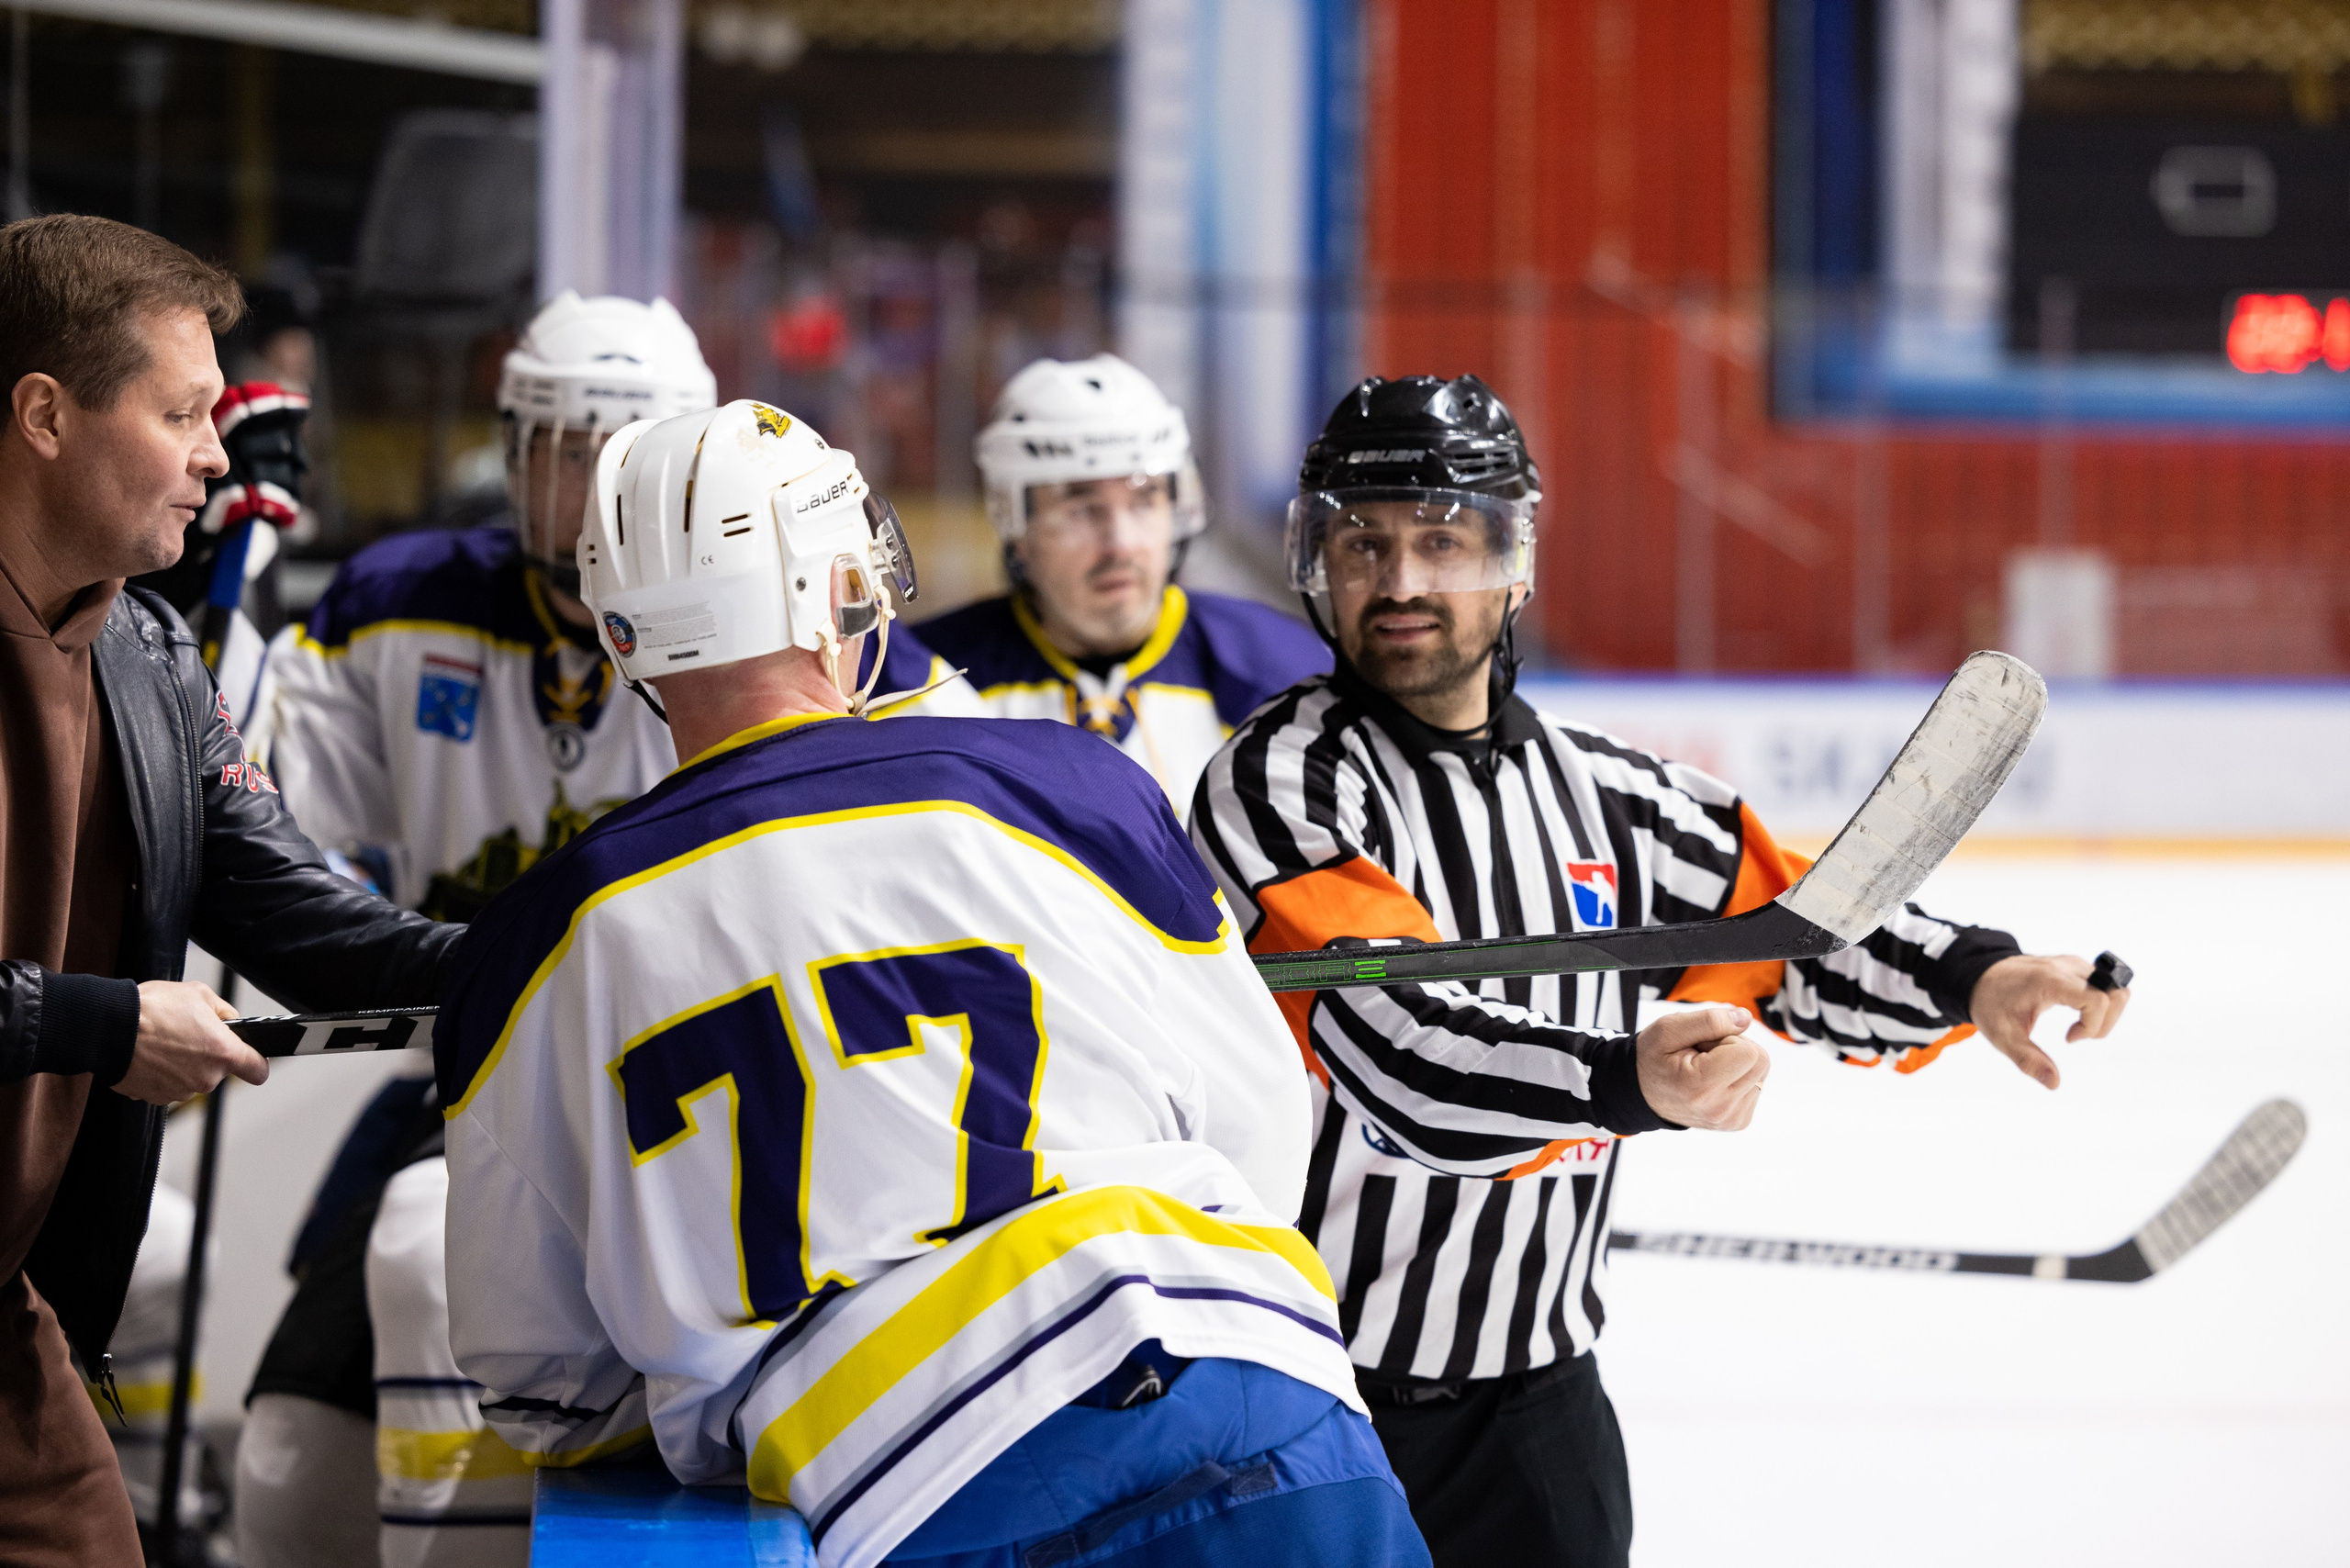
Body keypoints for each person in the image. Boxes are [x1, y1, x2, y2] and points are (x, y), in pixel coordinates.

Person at [436, 398, 1430, 1568]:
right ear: (834, 591)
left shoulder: (532, 945)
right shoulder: (1069, 781)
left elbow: (542, 1384)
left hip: (910, 1481)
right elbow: (1263, 1130)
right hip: (1257, 1382)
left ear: (622, 638)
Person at [1190, 374, 2134, 1568]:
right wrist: (1620, 1080)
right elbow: (1400, 1054)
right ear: (1317, 560)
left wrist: (1977, 977)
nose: (1405, 582)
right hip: (1316, 1400)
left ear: (1516, 559)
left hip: (1541, 1405)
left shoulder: (1609, 793)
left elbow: (1791, 933)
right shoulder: (1281, 783)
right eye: (1364, 543)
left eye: (1444, 540)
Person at [244, 297, 974, 1568]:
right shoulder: (392, 606)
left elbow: (972, 793)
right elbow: (284, 845)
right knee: (290, 1463)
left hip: (743, 1071)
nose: (591, 490)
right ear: (511, 449)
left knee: (455, 1290)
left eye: (626, 452)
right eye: (564, 448)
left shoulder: (797, 629)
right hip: (466, 1073)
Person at [0, 213, 458, 1565]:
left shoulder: (146, 655)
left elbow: (310, 929)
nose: (218, 452)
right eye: (184, 411)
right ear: (42, 415)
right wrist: (105, 1027)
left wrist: (575, 948)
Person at [917, 353, 1328, 811]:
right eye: (1079, 507)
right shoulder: (929, 687)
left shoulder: (1285, 672)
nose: (1121, 544)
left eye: (1143, 501)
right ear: (1016, 526)